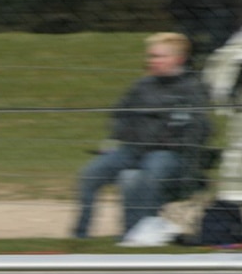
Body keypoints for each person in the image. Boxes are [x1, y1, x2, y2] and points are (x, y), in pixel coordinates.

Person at [73, 32, 212, 240]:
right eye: (151, 56)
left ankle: (139, 233)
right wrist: (126, 135)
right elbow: (119, 116)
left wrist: (163, 138)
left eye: (159, 56)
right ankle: (80, 235)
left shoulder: (192, 88)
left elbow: (198, 129)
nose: (152, 61)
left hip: (170, 153)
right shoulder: (142, 86)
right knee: (91, 173)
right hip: (133, 148)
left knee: (149, 171)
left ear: (179, 59)